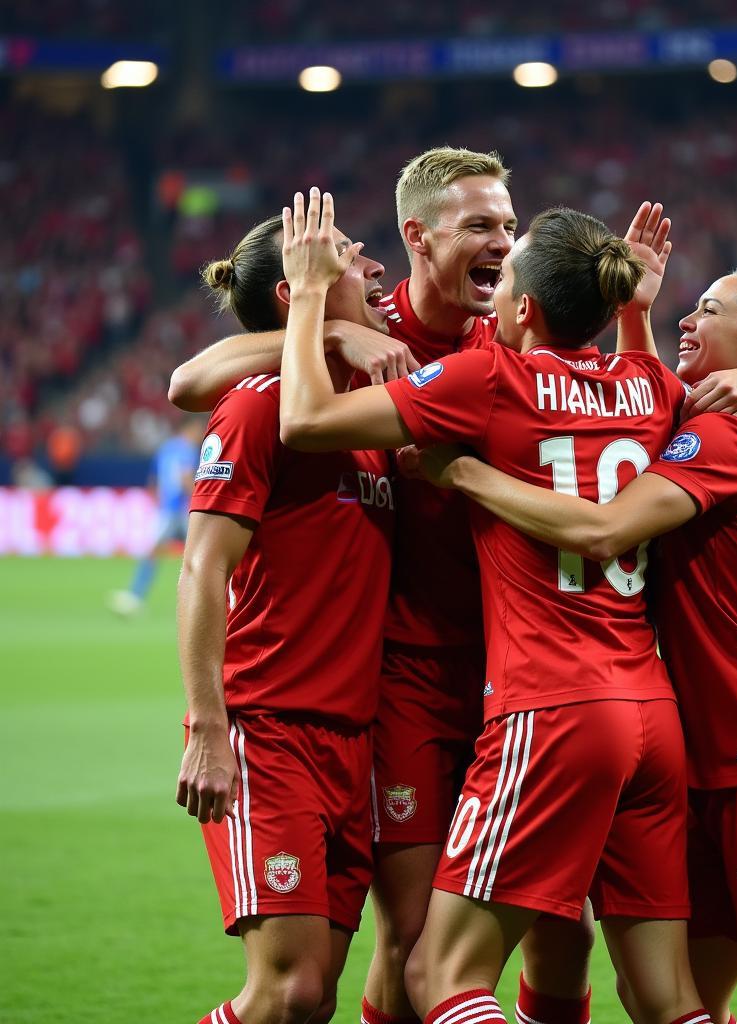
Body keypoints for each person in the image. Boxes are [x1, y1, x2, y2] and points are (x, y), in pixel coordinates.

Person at [168, 151, 737, 1024]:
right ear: (418, 238)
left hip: (527, 682)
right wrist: (329, 329)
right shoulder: (376, 348)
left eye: (509, 226)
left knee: (559, 933)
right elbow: (193, 382)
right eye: (481, 227)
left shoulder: (494, 352)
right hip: (416, 689)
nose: (501, 241)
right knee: (418, 940)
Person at [278, 186, 716, 1024]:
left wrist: (306, 299)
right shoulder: (655, 389)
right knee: (666, 996)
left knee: (439, 975)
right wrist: (662, 329)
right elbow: (658, 386)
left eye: (509, 246)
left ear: (522, 302)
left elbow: (304, 420)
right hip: (651, 713)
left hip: (549, 704)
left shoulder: (491, 374)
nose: (498, 252)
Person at [419, 266, 737, 1024]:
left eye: (708, 310)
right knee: (665, 998)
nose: (687, 321)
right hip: (717, 755)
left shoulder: (725, 433)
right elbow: (648, 416)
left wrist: (466, 472)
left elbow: (603, 528)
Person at [175, 211, 396, 1024]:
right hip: (267, 727)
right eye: (346, 255)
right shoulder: (258, 405)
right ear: (295, 290)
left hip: (356, 738)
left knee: (315, 998)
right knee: (289, 992)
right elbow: (203, 566)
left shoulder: (369, 403)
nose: (374, 265)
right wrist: (207, 726)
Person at [109, 417, 204, 616]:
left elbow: (154, 479)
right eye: (198, 430)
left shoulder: (167, 448)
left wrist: (158, 500)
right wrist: (199, 499)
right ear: (191, 428)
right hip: (178, 511)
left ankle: (136, 594)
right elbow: (185, 477)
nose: (200, 435)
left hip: (167, 509)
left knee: (164, 553)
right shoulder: (186, 450)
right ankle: (136, 595)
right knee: (199, 553)